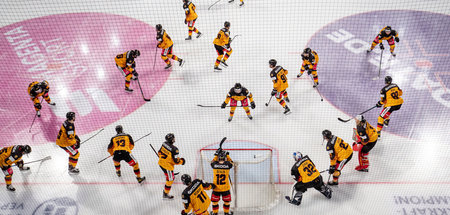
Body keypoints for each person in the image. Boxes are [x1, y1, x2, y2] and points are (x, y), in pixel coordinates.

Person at [158, 133, 186, 199]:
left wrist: (164, 158)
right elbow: (176, 161)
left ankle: (168, 175)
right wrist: (182, 161)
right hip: (167, 167)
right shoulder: (175, 149)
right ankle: (165, 194)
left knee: (168, 174)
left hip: (160, 163)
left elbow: (159, 152)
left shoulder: (164, 143)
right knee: (170, 180)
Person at [210, 150, 234, 215]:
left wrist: (216, 154)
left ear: (218, 158)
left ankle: (215, 213)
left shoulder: (214, 165)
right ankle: (226, 213)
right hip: (225, 188)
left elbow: (212, 162)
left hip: (216, 188)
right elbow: (232, 162)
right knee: (227, 202)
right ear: (225, 158)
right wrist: (228, 155)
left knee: (215, 202)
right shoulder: (228, 165)